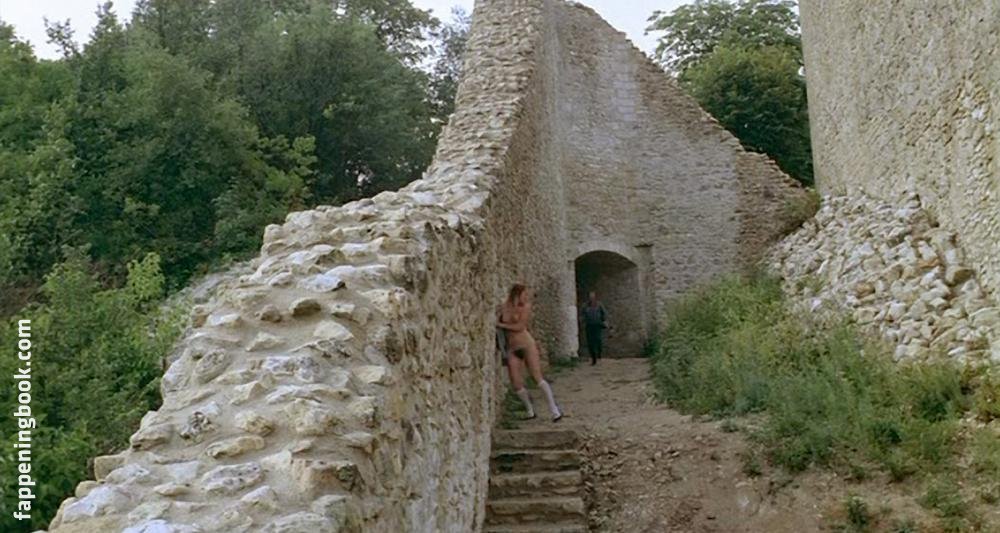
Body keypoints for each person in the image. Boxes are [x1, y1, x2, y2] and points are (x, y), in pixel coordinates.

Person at [497, 284, 563, 422]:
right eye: (524, 294)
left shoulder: (525, 307)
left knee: (536, 376)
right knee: (516, 382)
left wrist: (501, 325)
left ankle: (554, 409)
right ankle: (529, 410)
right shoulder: (504, 307)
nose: (526, 297)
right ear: (517, 294)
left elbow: (520, 326)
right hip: (512, 348)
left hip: (526, 344)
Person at [580, 291, 607, 365]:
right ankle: (593, 358)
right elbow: (582, 315)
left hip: (597, 325)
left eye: (592, 297)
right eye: (590, 297)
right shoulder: (585, 306)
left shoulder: (599, 305)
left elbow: (603, 313)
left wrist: (604, 321)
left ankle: (599, 355)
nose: (591, 298)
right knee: (590, 342)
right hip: (589, 325)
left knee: (598, 340)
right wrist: (582, 321)